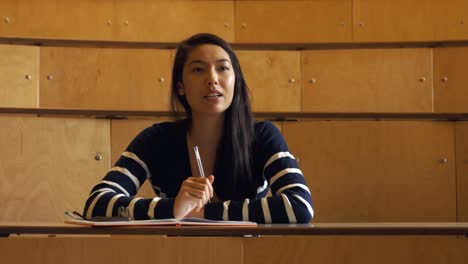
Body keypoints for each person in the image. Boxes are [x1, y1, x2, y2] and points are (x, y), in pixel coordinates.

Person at [83, 33, 313, 223]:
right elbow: (96, 204)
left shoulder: (262, 135)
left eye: (223, 68)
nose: (212, 79)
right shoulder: (156, 139)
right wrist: (173, 207)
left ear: (236, 81)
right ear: (180, 86)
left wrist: (203, 213)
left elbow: (300, 206)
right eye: (198, 70)